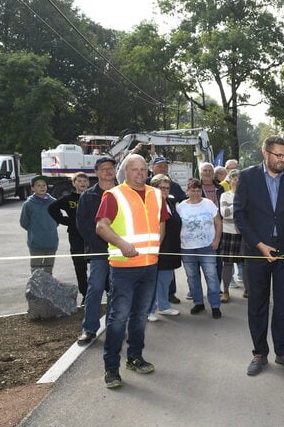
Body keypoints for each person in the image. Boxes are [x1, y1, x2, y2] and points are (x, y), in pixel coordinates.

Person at [234, 136, 284, 376]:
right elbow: (240, 216)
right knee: (257, 303)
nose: (283, 160)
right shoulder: (247, 177)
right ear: (265, 153)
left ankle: (283, 353)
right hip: (257, 251)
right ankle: (259, 353)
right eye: (278, 155)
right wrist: (258, 244)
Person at [96, 154, 169, 389]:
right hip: (123, 269)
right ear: (125, 172)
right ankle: (111, 369)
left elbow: (162, 221)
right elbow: (101, 226)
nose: (140, 173)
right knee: (118, 318)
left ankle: (135, 358)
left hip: (149, 266)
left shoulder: (156, 194)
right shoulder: (114, 195)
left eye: (143, 169)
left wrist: (156, 243)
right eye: (134, 169)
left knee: (140, 316)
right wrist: (122, 244)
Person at [75, 156, 116, 345]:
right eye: (104, 168)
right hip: (100, 251)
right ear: (97, 172)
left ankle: (115, 327)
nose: (108, 171)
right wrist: (102, 241)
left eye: (111, 168)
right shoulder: (88, 196)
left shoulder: (124, 193)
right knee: (96, 288)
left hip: (121, 250)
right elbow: (82, 224)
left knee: (118, 291)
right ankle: (89, 329)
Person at [178, 178, 223, 318]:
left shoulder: (209, 204)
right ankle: (198, 303)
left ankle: (215, 305)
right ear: (188, 191)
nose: (196, 193)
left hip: (207, 247)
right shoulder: (181, 207)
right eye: (193, 190)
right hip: (187, 248)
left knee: (211, 276)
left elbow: (218, 223)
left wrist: (216, 240)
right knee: (192, 277)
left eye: (198, 191)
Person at [48, 172, 90, 301]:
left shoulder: (92, 197)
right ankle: (85, 293)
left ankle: (99, 292)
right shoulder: (69, 199)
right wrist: (66, 221)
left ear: (88, 183)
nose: (82, 183)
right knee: (80, 266)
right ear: (73, 183)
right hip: (76, 237)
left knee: (98, 266)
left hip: (93, 237)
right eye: (79, 181)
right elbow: (52, 208)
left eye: (84, 181)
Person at [147, 174, 182, 321]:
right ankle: (149, 310)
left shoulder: (170, 202)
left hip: (171, 247)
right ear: (154, 188)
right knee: (152, 282)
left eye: (167, 188)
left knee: (166, 279)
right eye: (161, 188)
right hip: (158, 247)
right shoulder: (150, 203)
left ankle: (164, 306)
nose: (165, 190)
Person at [20, 175, 58, 274]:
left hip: (51, 242)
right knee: (35, 270)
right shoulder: (28, 204)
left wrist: (50, 228)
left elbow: (58, 220)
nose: (42, 187)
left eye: (44, 185)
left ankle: (47, 289)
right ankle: (35, 289)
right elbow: (24, 222)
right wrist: (35, 230)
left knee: (48, 270)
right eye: (38, 185)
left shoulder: (53, 202)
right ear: (32, 188)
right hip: (36, 243)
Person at [219, 169, 243, 303]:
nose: (237, 181)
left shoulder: (248, 195)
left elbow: (249, 214)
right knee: (227, 263)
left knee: (245, 263)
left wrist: (234, 207)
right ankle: (226, 291)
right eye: (234, 178)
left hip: (244, 233)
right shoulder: (224, 195)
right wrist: (239, 205)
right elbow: (225, 213)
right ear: (230, 180)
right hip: (228, 232)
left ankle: (248, 290)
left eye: (239, 179)